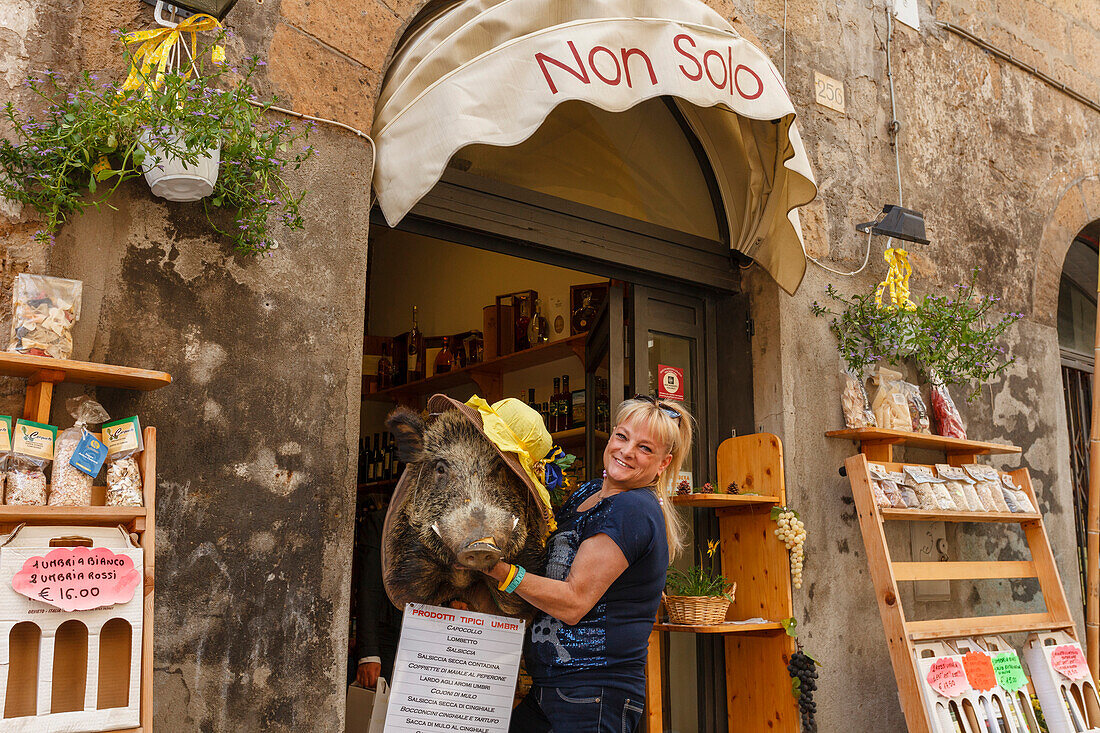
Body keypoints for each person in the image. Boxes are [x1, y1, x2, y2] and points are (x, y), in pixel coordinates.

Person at [483, 395, 693, 733]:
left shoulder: (632, 510)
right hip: (552, 687)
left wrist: (497, 570)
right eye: (622, 437)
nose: (626, 451)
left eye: (644, 448)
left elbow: (574, 602)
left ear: (663, 464)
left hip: (593, 694)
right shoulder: (589, 493)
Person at [355, 508, 402, 689]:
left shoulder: (453, 525)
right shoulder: (382, 522)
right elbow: (368, 589)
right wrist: (369, 654)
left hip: (438, 639)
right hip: (389, 637)